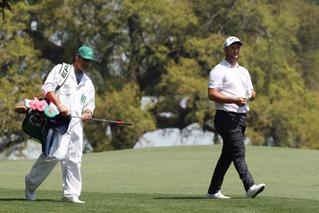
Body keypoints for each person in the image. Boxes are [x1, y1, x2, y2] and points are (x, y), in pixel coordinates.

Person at [25, 45, 96, 204]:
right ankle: (30, 183)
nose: (86, 63)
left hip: (76, 124)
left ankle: (71, 194)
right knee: (55, 154)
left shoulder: (88, 83)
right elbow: (47, 89)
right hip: (57, 120)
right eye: (84, 60)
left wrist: (88, 113)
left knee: (74, 158)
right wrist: (59, 105)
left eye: (89, 62)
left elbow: (90, 104)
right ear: (76, 56)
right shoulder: (61, 70)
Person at [206, 36, 265, 199]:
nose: (236, 50)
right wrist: (234, 99)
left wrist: (252, 95)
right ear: (225, 50)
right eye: (232, 47)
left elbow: (251, 92)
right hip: (225, 116)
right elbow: (212, 94)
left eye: (238, 47)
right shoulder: (218, 70)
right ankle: (249, 186)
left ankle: (212, 191)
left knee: (227, 156)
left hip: (240, 117)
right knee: (238, 151)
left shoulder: (243, 71)